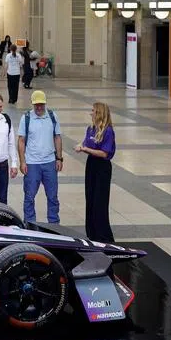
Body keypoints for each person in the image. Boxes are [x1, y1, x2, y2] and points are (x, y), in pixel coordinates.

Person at [17, 90, 63, 225]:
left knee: (53, 197)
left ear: (45, 103)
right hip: (32, 164)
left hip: (50, 163)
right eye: (36, 105)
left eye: (41, 104)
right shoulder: (26, 118)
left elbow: (57, 137)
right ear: (32, 104)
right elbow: (21, 140)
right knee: (29, 197)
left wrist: (59, 158)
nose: (39, 107)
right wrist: (22, 161)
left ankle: (54, 225)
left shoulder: (52, 116)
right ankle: (30, 224)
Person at [75, 102, 117, 242]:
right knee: (90, 199)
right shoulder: (91, 129)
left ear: (99, 113)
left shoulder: (108, 131)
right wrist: (81, 146)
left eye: (93, 111)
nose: (90, 113)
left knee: (100, 201)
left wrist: (86, 150)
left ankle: (103, 235)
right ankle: (92, 233)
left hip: (102, 167)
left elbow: (104, 153)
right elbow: (85, 143)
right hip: (91, 165)